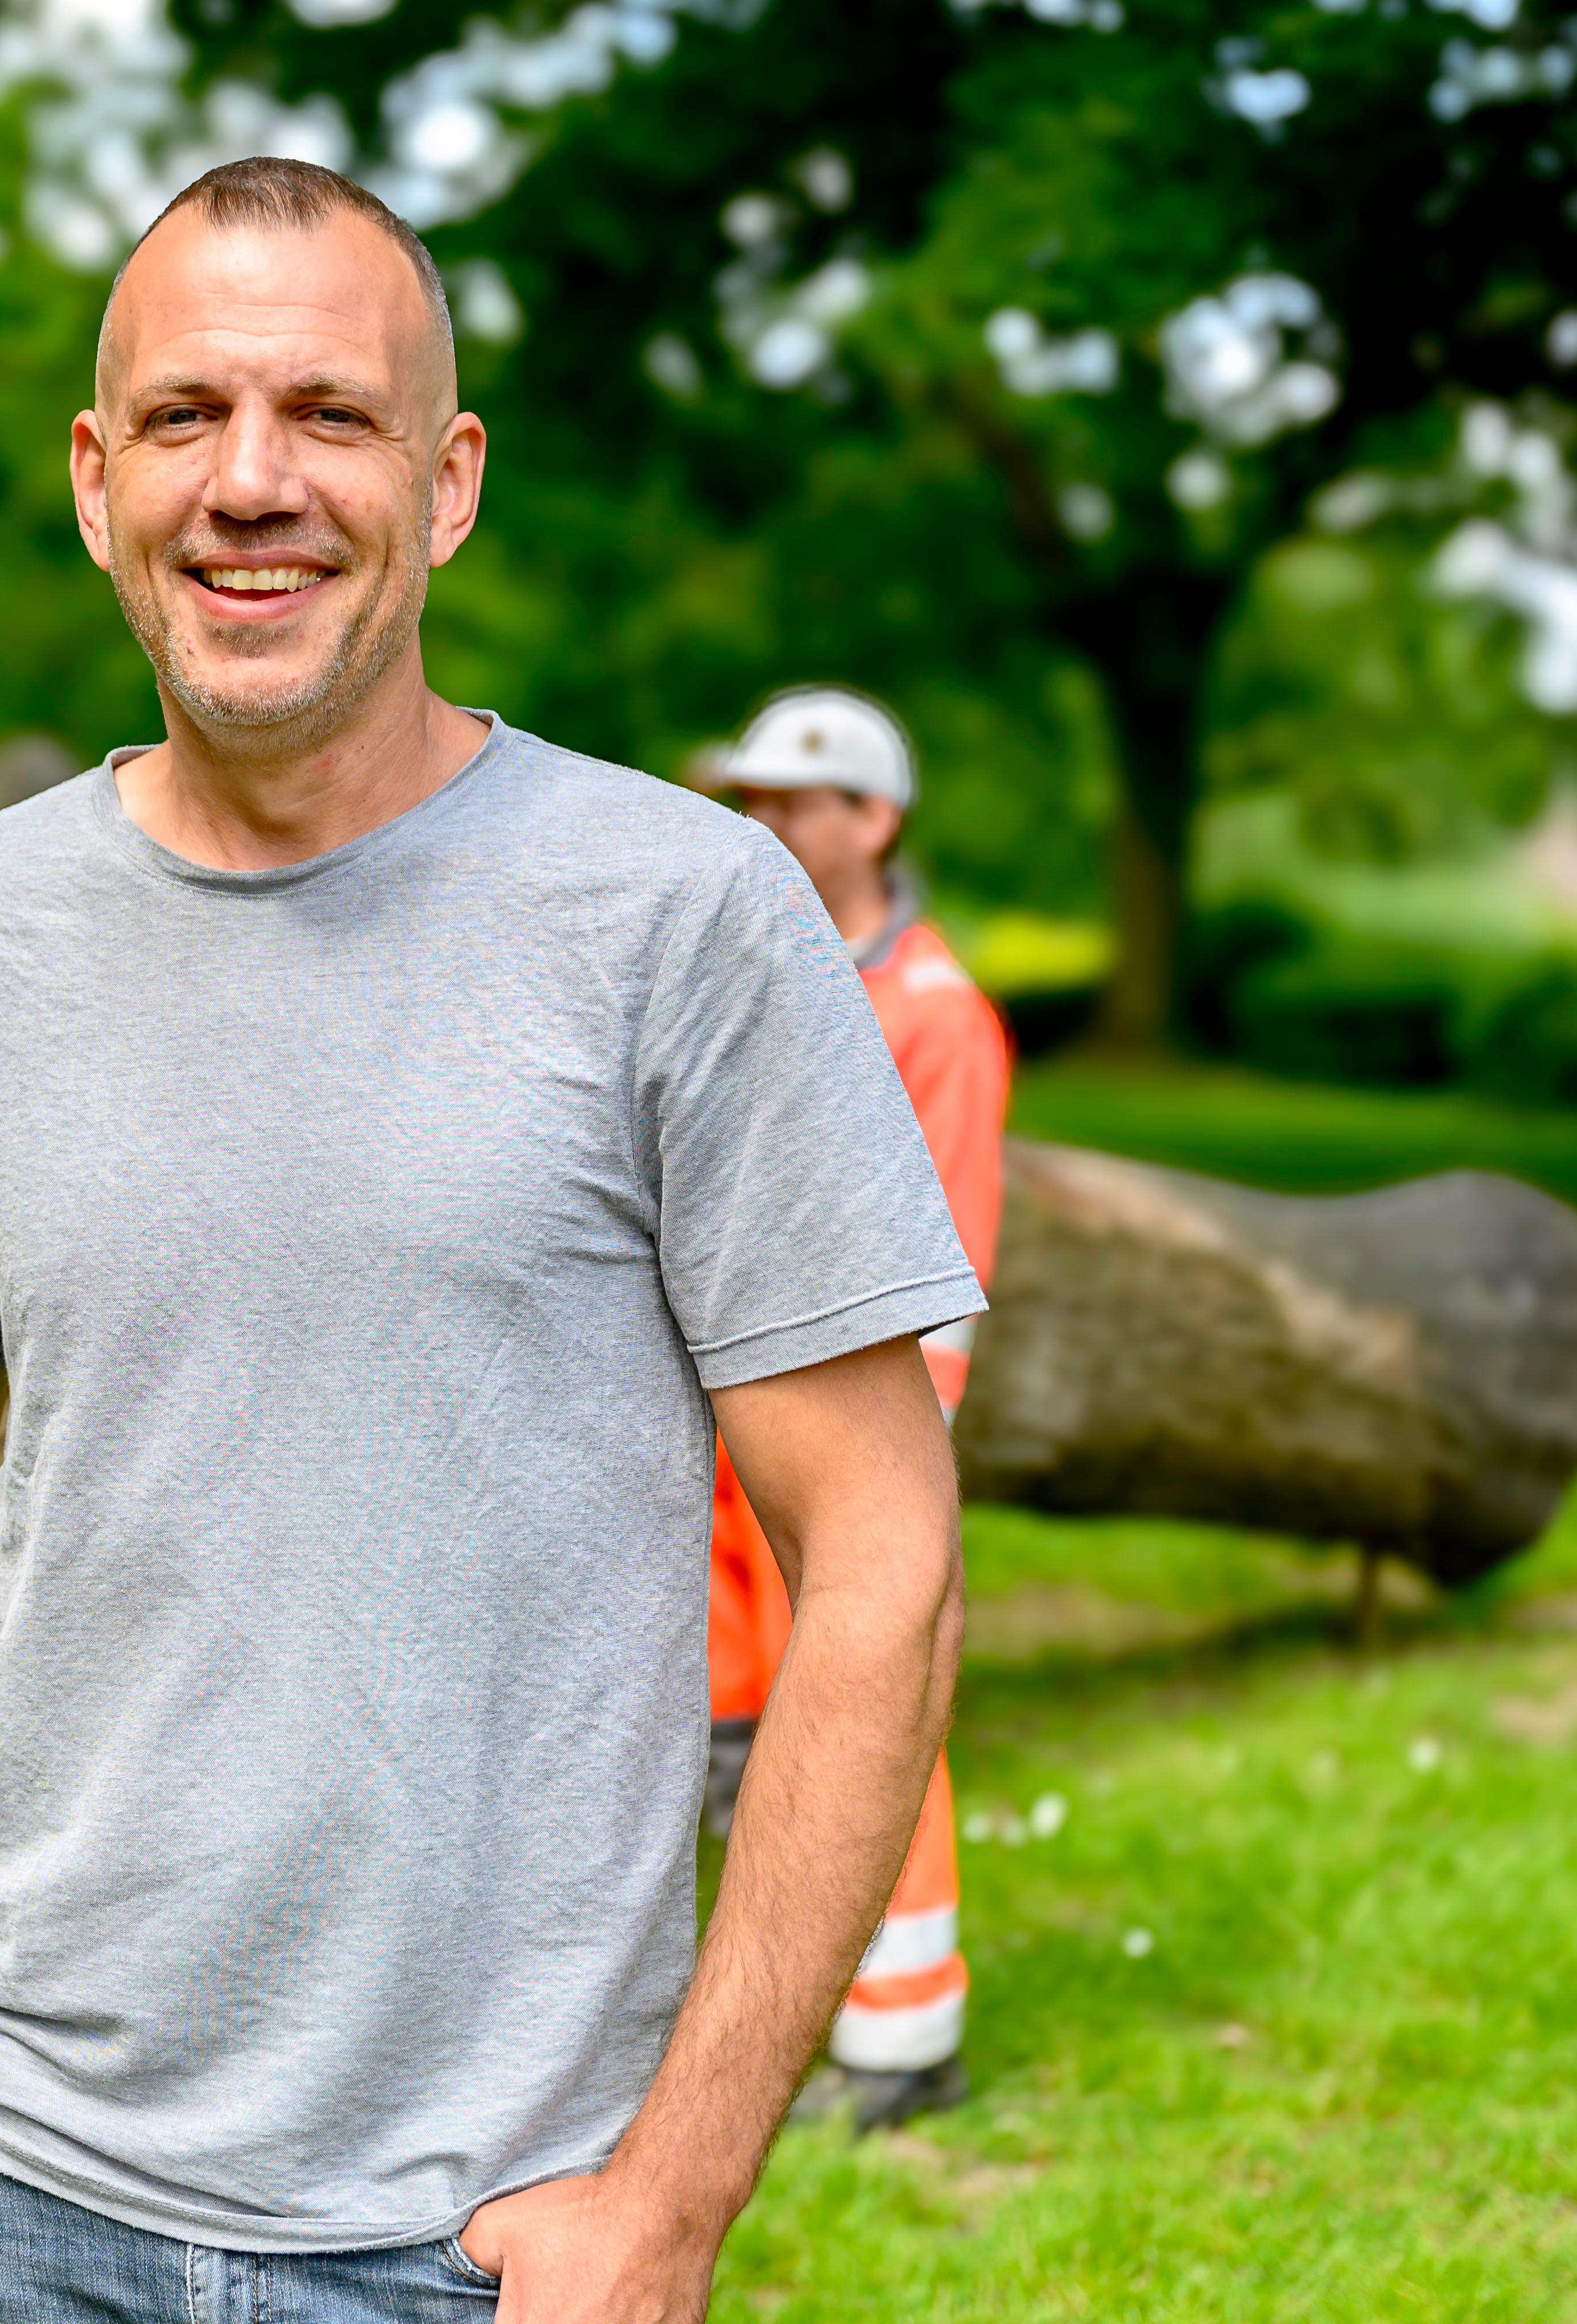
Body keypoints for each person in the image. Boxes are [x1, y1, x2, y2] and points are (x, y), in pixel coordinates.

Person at [0, 156, 979, 2324]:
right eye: (182, 418)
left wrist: (678, 2190)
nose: (251, 483)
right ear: (92, 477)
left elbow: (879, 1557)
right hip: (10, 2206)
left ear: (443, 486)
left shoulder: (682, 919)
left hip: (490, 2238)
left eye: (327, 416)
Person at [697, 685, 1012, 2132]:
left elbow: (943, 1255)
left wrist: (896, 1467)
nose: (763, 821)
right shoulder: (759, 971)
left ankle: (902, 2035)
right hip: (727, 1409)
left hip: (842, 1429)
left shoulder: (936, 1015)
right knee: (739, 1727)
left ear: (873, 819)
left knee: (870, 1701)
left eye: (793, 802)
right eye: (751, 799)